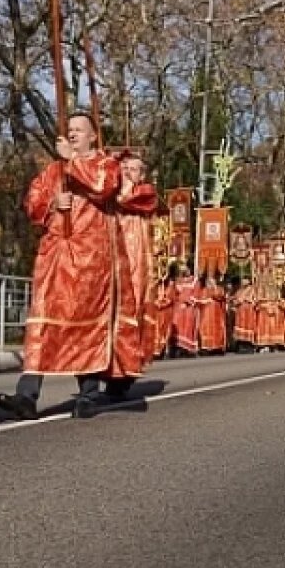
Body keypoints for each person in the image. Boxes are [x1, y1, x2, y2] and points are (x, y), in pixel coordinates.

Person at [0, 112, 141, 421]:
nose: (72, 134)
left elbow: (104, 187)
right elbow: (33, 202)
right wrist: (51, 205)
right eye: (69, 129)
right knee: (42, 324)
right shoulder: (53, 171)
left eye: (79, 130)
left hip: (91, 261)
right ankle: (26, 395)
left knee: (86, 326)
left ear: (91, 136)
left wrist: (73, 163)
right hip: (55, 257)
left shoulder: (105, 164)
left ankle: (88, 394)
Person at [116, 152, 159, 390]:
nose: (127, 173)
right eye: (124, 168)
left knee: (134, 315)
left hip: (137, 266)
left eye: (133, 169)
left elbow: (128, 198)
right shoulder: (112, 193)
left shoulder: (146, 192)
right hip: (114, 260)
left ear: (142, 174)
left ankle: (127, 373)